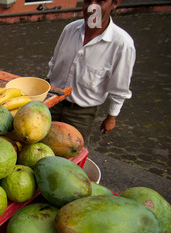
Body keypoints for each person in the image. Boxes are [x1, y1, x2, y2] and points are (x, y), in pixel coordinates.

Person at [46, 0, 136, 146]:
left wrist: (111, 117)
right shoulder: (70, 30)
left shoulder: (122, 44)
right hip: (52, 101)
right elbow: (55, 62)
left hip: (81, 113)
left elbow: (120, 86)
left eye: (100, 1)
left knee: (70, 154)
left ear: (115, 3)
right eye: (88, 0)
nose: (92, 7)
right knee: (41, 145)